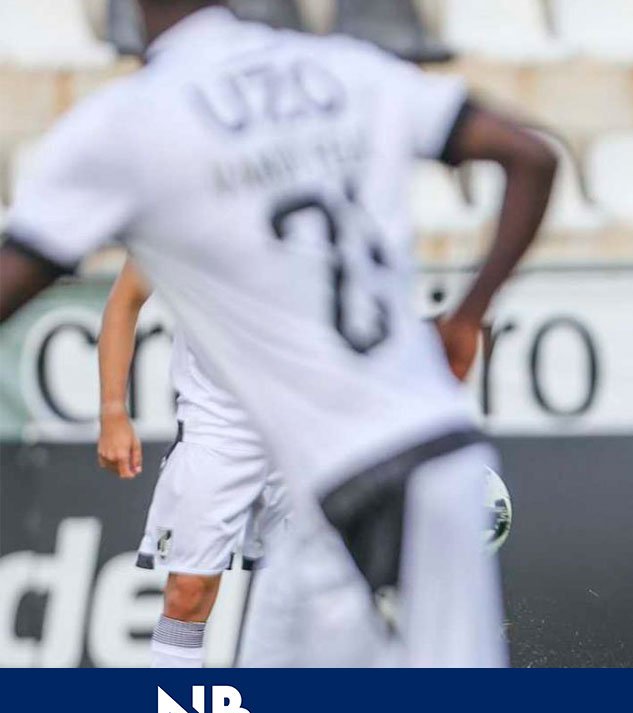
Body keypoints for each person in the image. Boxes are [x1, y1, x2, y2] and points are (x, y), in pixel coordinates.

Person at [0, 0, 557, 666]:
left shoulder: (136, 123)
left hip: (350, 472)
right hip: (434, 448)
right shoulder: (347, 69)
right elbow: (532, 155)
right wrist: (469, 316)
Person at [96, 261, 291, 668]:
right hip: (216, 424)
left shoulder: (316, 201)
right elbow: (125, 299)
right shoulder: (187, 201)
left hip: (304, 422)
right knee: (188, 590)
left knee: (306, 596)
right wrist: (113, 410)